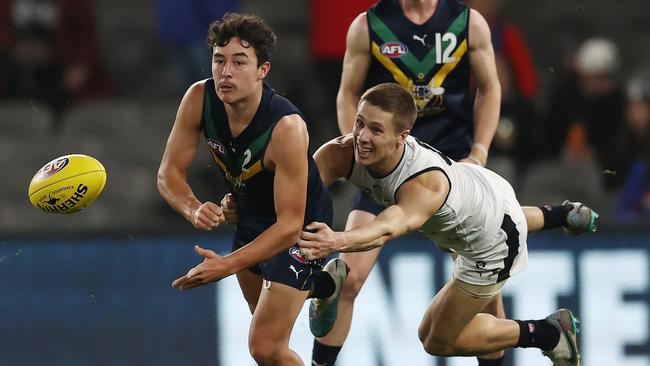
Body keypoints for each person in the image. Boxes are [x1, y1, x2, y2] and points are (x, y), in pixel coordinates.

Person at [299, 83, 596, 365]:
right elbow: (299, 196)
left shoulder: (422, 186)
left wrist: (335, 241)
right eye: (360, 123)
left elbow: (386, 228)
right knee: (497, 216)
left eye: (376, 130)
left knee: (435, 339)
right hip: (480, 191)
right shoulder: (341, 151)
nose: (362, 137)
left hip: (489, 246)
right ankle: (560, 215)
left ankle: (549, 332)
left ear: (402, 136)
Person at [318, 0, 504, 364]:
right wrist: (357, 147)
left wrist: (479, 152)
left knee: (486, 291)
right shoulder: (368, 25)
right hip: (388, 166)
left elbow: (490, 88)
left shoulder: (468, 23)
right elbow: (347, 93)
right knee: (348, 279)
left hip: (451, 170)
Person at [156, 13, 347, 366]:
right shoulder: (199, 97)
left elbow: (289, 225)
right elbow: (168, 173)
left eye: (239, 62)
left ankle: (319, 284)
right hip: (251, 217)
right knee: (266, 335)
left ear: (263, 70)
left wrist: (226, 265)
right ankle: (324, 288)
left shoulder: (286, 127)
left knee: (265, 347)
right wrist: (194, 208)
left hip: (303, 228)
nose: (225, 72)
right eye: (218, 60)